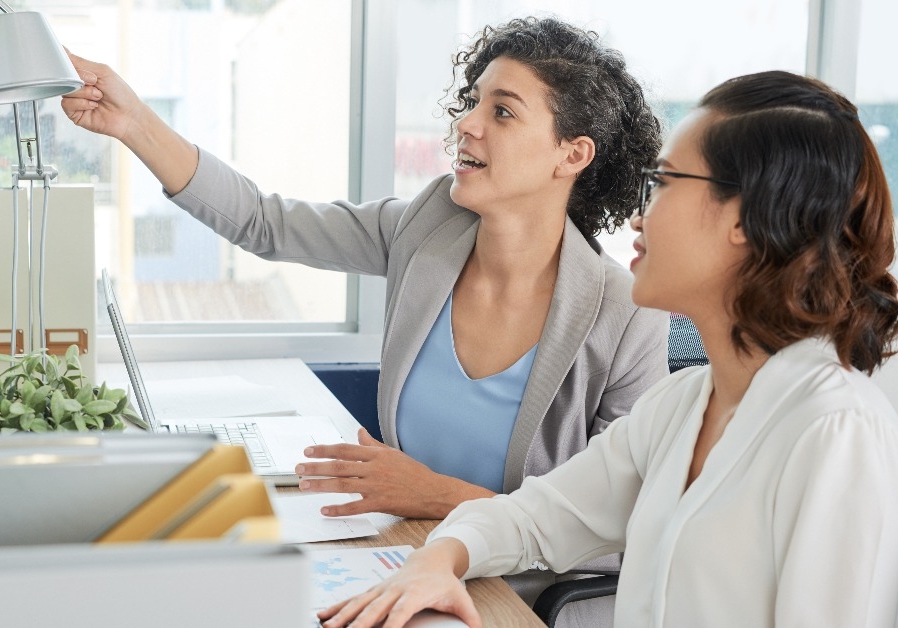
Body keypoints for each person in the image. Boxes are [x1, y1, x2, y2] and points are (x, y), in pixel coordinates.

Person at [317, 70, 898, 628]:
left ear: (745, 217)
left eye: (665, 183)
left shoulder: (835, 431)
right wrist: (436, 562)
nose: (641, 215)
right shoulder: (682, 406)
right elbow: (533, 519)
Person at [60, 17, 668, 523]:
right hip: (396, 548)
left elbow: (618, 526)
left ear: (573, 154)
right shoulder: (426, 228)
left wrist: (437, 497)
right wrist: (133, 121)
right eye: (474, 100)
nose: (467, 122)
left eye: (503, 112)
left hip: (516, 592)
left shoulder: (625, 315)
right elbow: (263, 221)